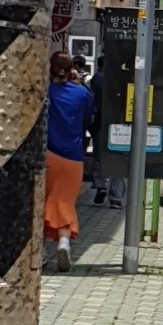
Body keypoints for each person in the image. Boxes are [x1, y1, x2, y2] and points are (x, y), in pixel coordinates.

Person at [45, 51, 95, 272]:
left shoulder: (45, 92)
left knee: (41, 202)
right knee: (64, 201)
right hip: (73, 157)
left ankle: (38, 252)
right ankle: (64, 243)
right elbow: (88, 118)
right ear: (73, 68)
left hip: (46, 154)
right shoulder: (83, 94)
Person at [88, 56, 126, 209]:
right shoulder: (121, 79)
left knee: (99, 157)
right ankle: (115, 197)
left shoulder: (96, 79)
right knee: (118, 160)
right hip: (119, 124)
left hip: (100, 123)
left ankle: (100, 185)